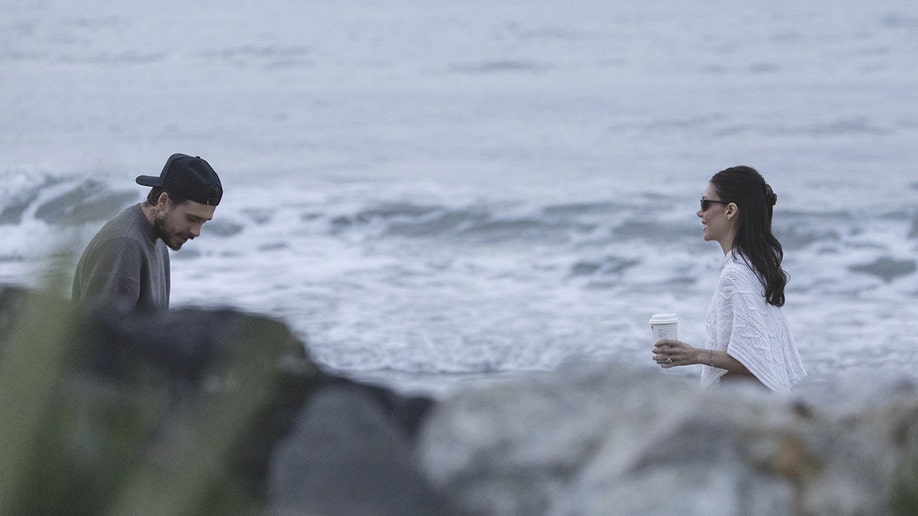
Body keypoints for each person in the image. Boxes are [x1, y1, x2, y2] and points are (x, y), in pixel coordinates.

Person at [652, 166, 806, 392]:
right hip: (761, 404)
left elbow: (752, 360)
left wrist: (694, 354)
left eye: (705, 203)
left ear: (730, 210)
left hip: (749, 408)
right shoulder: (754, 270)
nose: (700, 213)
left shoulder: (736, 275)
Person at [72, 153, 223, 313]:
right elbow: (98, 332)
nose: (196, 232)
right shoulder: (125, 245)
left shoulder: (160, 236)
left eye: (203, 222)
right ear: (163, 202)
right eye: (191, 218)